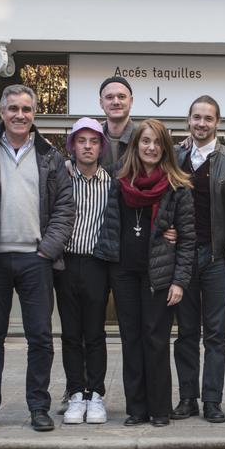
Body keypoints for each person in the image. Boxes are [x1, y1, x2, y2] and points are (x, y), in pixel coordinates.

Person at [0, 84, 75, 433]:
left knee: (40, 337)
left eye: (26, 109)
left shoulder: (49, 155)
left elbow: (66, 208)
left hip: (37, 260)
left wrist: (48, 250)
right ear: (2, 112)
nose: (19, 115)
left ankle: (38, 406)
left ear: (34, 114)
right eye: (12, 109)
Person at [92, 118, 195, 427]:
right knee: (130, 339)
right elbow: (108, 225)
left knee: (156, 338)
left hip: (158, 274)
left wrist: (180, 280)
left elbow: (188, 239)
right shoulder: (117, 181)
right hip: (123, 272)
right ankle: (136, 409)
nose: (151, 147)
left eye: (157, 142)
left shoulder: (178, 187)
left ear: (165, 148)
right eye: (145, 141)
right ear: (135, 146)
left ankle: (160, 409)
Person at [171, 96, 225, 423]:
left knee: (215, 334)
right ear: (188, 120)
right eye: (196, 118)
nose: (202, 124)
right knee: (186, 332)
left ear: (218, 123)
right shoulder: (173, 157)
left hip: (216, 257)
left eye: (208, 118)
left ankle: (213, 401)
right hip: (183, 258)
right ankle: (188, 398)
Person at [56, 117, 114, 425]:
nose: (87, 146)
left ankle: (96, 394)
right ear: (73, 146)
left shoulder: (111, 182)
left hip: (96, 263)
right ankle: (76, 393)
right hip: (65, 263)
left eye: (93, 141)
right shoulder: (62, 177)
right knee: (70, 334)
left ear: (101, 147)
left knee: (94, 333)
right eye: (82, 141)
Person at [98, 76, 135, 173]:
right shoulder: (93, 135)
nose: (116, 102)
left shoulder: (142, 137)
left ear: (131, 101)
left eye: (121, 97)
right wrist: (70, 162)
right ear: (101, 103)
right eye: (109, 97)